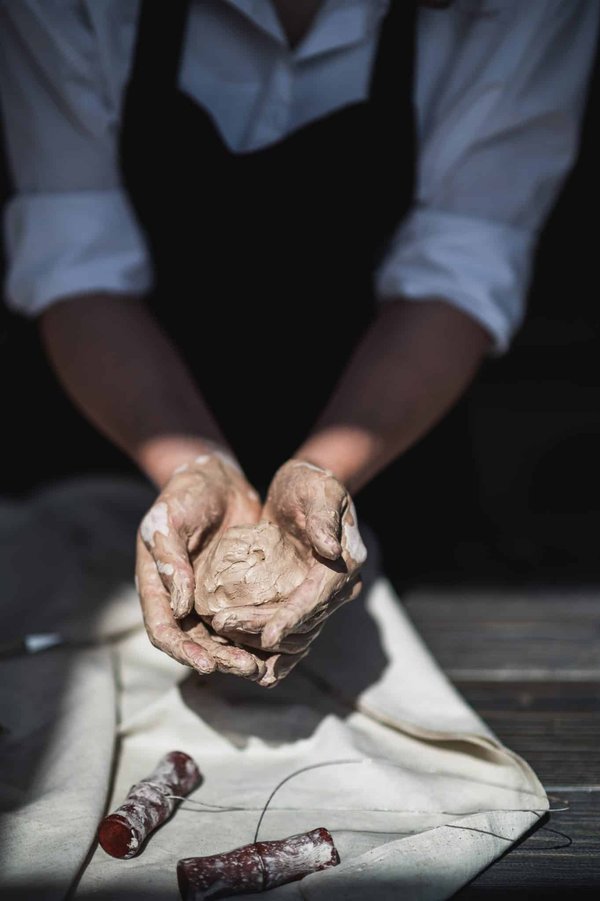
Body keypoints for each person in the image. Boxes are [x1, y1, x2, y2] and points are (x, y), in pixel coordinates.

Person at [0, 0, 597, 686]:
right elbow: (75, 267)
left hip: (389, 435)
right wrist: (192, 466)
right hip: (120, 421)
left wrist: (326, 470)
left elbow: (462, 269)